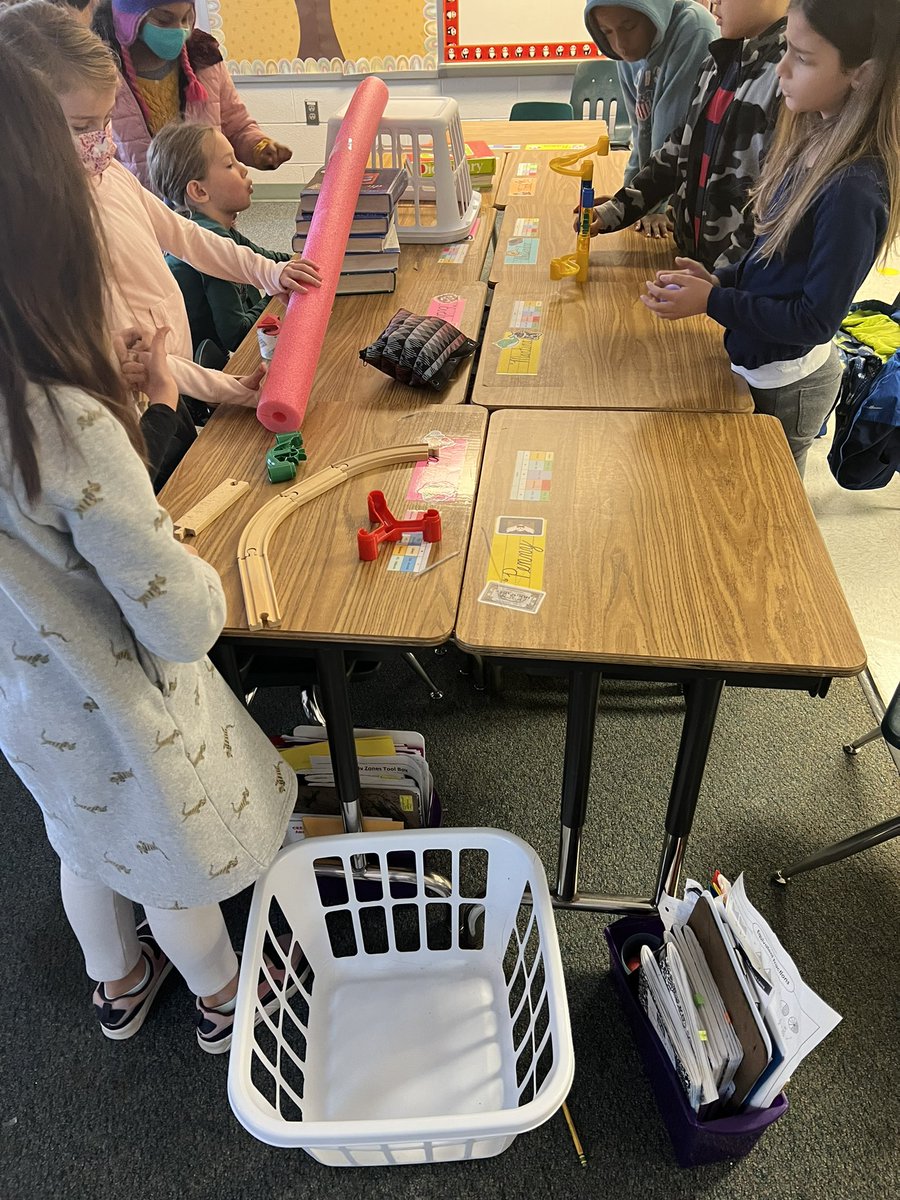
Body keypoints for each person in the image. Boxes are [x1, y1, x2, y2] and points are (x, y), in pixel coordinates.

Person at [0, 50, 298, 1052]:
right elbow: (177, 615)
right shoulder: (68, 417)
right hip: (121, 690)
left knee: (85, 840)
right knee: (172, 860)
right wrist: (144, 407)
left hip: (29, 700)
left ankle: (117, 986)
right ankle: (224, 1004)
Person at [0, 2, 320, 489]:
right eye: (83, 126)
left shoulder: (112, 179)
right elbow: (139, 360)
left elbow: (187, 235)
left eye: (107, 120)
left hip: (172, 389)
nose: (103, 141)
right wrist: (228, 388)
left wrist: (267, 272)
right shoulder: (50, 235)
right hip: (133, 418)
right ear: (22, 127)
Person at [641, 0, 899, 476]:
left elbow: (813, 320)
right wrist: (721, 283)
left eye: (802, 58)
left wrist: (714, 304)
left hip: (789, 383)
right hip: (759, 364)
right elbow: (770, 256)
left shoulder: (854, 190)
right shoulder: (810, 137)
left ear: (862, 74)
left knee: (771, 519)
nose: (781, 68)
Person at [584, 0, 789, 268]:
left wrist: (721, 283)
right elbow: (677, 151)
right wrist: (618, 210)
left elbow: (780, 204)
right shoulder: (718, 62)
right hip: (696, 266)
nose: (713, 3)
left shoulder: (790, 75)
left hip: (737, 285)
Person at [91, 1, 292, 190]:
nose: (179, 30)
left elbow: (236, 125)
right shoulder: (98, 69)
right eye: (163, 20)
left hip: (206, 206)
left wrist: (258, 147)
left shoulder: (204, 56)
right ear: (129, 19)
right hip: (140, 211)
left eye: (186, 18)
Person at [148, 121, 292, 355]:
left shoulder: (219, 230)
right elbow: (237, 335)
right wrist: (277, 289)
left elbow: (267, 258)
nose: (243, 169)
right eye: (229, 164)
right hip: (199, 371)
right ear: (199, 191)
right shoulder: (208, 244)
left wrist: (300, 261)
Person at [582, 0, 717, 238]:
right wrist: (626, 198)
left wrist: (652, 206)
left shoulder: (693, 29)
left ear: (654, 13)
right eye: (607, 32)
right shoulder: (626, 54)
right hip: (662, 185)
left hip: (699, 193)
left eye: (629, 26)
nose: (620, 45)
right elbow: (641, 128)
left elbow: (671, 133)